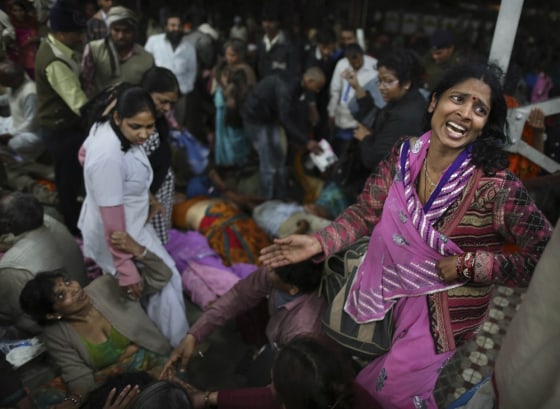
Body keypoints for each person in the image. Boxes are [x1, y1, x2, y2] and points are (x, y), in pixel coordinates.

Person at [260, 63, 553, 408]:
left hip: (441, 311)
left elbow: (545, 258)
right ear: (433, 103)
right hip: (390, 289)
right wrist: (319, 241)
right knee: (369, 379)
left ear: (484, 126)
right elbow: (365, 212)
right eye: (457, 99)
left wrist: (469, 265)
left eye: (479, 109)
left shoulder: (496, 187)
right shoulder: (404, 154)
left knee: (390, 395)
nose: (464, 113)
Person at [78, 87, 188, 347]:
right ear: (117, 118)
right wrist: (126, 268)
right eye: (136, 126)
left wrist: (140, 194)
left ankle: (166, 341)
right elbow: (114, 228)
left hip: (130, 222)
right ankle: (176, 347)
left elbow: (82, 154)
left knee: (153, 287)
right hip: (121, 233)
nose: (144, 134)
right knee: (165, 283)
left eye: (150, 127)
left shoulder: (107, 130)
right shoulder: (108, 157)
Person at [19, 272, 171, 407]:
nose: (74, 289)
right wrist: (73, 401)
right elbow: (78, 374)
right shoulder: (55, 334)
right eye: (61, 295)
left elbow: (160, 276)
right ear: (53, 314)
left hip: (152, 358)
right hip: (114, 378)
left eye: (67, 282)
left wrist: (139, 252)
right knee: (41, 398)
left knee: (163, 392)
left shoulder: (106, 286)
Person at [161, 261, 326, 384]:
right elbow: (238, 296)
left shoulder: (302, 328)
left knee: (261, 382)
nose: (267, 266)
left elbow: (292, 382)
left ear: (293, 289)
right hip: (276, 341)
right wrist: (194, 335)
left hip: (290, 362)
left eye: (274, 269)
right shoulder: (277, 273)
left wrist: (209, 399)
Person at [178, 336, 380, 409]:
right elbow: (264, 398)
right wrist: (206, 398)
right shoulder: (342, 390)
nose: (268, 387)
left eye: (273, 383)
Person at [35, 0, 88, 235]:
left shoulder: (59, 49)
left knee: (70, 177)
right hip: (62, 130)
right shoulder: (55, 61)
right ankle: (73, 225)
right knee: (67, 180)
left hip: (63, 126)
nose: (80, 37)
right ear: (59, 33)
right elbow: (79, 104)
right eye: (75, 33)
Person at [0, 192, 86, 335]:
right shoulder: (49, 219)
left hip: (55, 327)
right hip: (80, 294)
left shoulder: (11, 267)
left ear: (8, 226)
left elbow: (12, 315)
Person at [241, 66, 325, 200]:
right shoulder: (287, 87)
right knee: (268, 162)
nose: (317, 90)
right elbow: (285, 118)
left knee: (279, 158)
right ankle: (267, 200)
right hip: (256, 120)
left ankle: (280, 196)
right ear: (309, 81)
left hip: (270, 118)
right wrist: (305, 141)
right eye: (317, 86)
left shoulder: (299, 84)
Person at [349, 48, 427, 173]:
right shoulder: (406, 100)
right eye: (380, 81)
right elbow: (376, 117)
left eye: (388, 81)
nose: (381, 87)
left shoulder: (404, 117)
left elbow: (375, 160)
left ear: (406, 83)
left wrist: (365, 138)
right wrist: (357, 87)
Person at [140, 67, 180, 245]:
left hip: (159, 188)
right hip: (145, 195)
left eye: (171, 103)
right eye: (163, 101)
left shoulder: (158, 119)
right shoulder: (140, 127)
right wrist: (151, 199)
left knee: (158, 237)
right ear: (147, 94)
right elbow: (133, 171)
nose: (167, 108)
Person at [172, 195, 271, 266]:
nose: (177, 197)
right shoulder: (181, 209)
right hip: (227, 214)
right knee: (258, 245)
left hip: (224, 218)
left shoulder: (181, 210)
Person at [81, 6, 154, 98]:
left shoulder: (146, 58)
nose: (121, 36)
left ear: (134, 32)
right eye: (116, 30)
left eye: (126, 31)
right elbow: (86, 85)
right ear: (109, 30)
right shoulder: (94, 50)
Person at [144, 12, 197, 128]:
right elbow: (145, 66)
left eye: (179, 26)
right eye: (172, 25)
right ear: (166, 27)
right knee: (154, 124)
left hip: (179, 95)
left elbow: (191, 71)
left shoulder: (188, 47)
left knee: (176, 125)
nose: (176, 29)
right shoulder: (154, 42)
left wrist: (184, 90)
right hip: (156, 95)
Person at [327, 43, 380, 156]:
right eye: (352, 62)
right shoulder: (341, 64)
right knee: (341, 151)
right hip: (343, 116)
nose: (355, 64)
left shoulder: (374, 65)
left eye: (358, 61)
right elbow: (335, 90)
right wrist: (331, 112)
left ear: (362, 55)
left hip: (363, 118)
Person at [7, 0, 40, 80]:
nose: (18, 13)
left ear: (25, 10)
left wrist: (36, 39)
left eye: (20, 10)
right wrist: (29, 41)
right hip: (19, 58)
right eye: (15, 11)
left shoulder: (32, 21)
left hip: (35, 54)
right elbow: (12, 45)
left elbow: (38, 34)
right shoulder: (10, 24)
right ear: (11, 12)